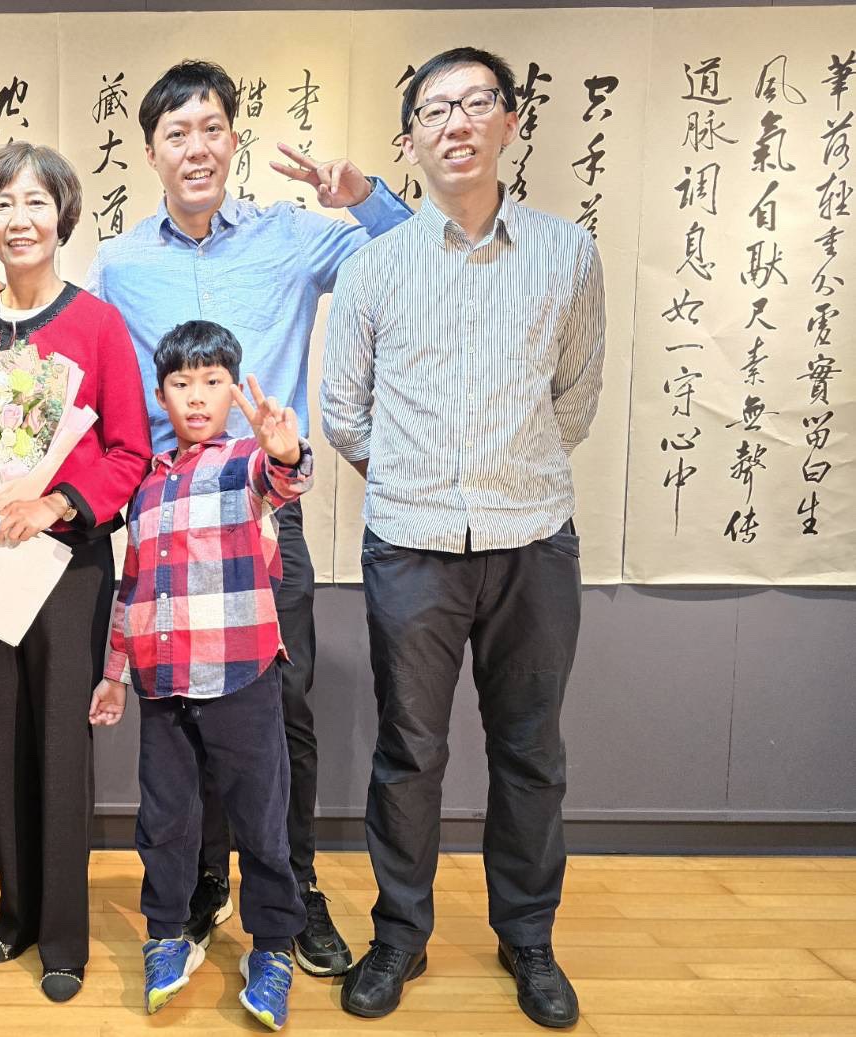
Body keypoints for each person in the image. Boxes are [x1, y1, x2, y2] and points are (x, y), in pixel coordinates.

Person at [0, 60, 411, 975]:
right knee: (177, 716)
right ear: (151, 153)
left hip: (259, 505)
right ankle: (205, 884)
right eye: (176, 133)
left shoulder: (292, 236)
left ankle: (294, 892)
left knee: (280, 711)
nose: (195, 147)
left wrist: (361, 196)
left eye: (210, 128)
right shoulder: (122, 263)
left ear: (231, 139)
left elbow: (411, 254)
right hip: (163, 514)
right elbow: (64, 344)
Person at [320, 47, 606, 1028]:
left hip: (534, 535)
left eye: (477, 102)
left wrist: (508, 469)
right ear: (409, 141)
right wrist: (417, 480)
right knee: (410, 749)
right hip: (411, 544)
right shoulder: (372, 265)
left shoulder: (567, 253)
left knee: (531, 749)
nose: (457, 122)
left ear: (508, 123)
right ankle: (399, 933)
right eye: (435, 109)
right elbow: (343, 412)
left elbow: (575, 396)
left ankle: (527, 936)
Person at [0, 141, 152, 1002]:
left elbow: (129, 452)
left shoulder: (97, 323)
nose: (19, 218)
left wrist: (58, 502)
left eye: (35, 202)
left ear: (62, 216)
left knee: (61, 744)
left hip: (68, 562)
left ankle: (64, 934)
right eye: (3, 203)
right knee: (2, 731)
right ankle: (17, 913)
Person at [93, 320, 313, 1031]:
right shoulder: (146, 483)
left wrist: (287, 451)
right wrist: (114, 673)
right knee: (164, 819)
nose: (196, 396)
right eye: (181, 383)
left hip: (241, 675)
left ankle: (272, 947)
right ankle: (166, 934)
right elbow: (131, 585)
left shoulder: (245, 463)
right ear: (160, 395)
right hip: (161, 681)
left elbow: (285, 479)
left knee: (260, 821)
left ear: (230, 391)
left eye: (212, 382)